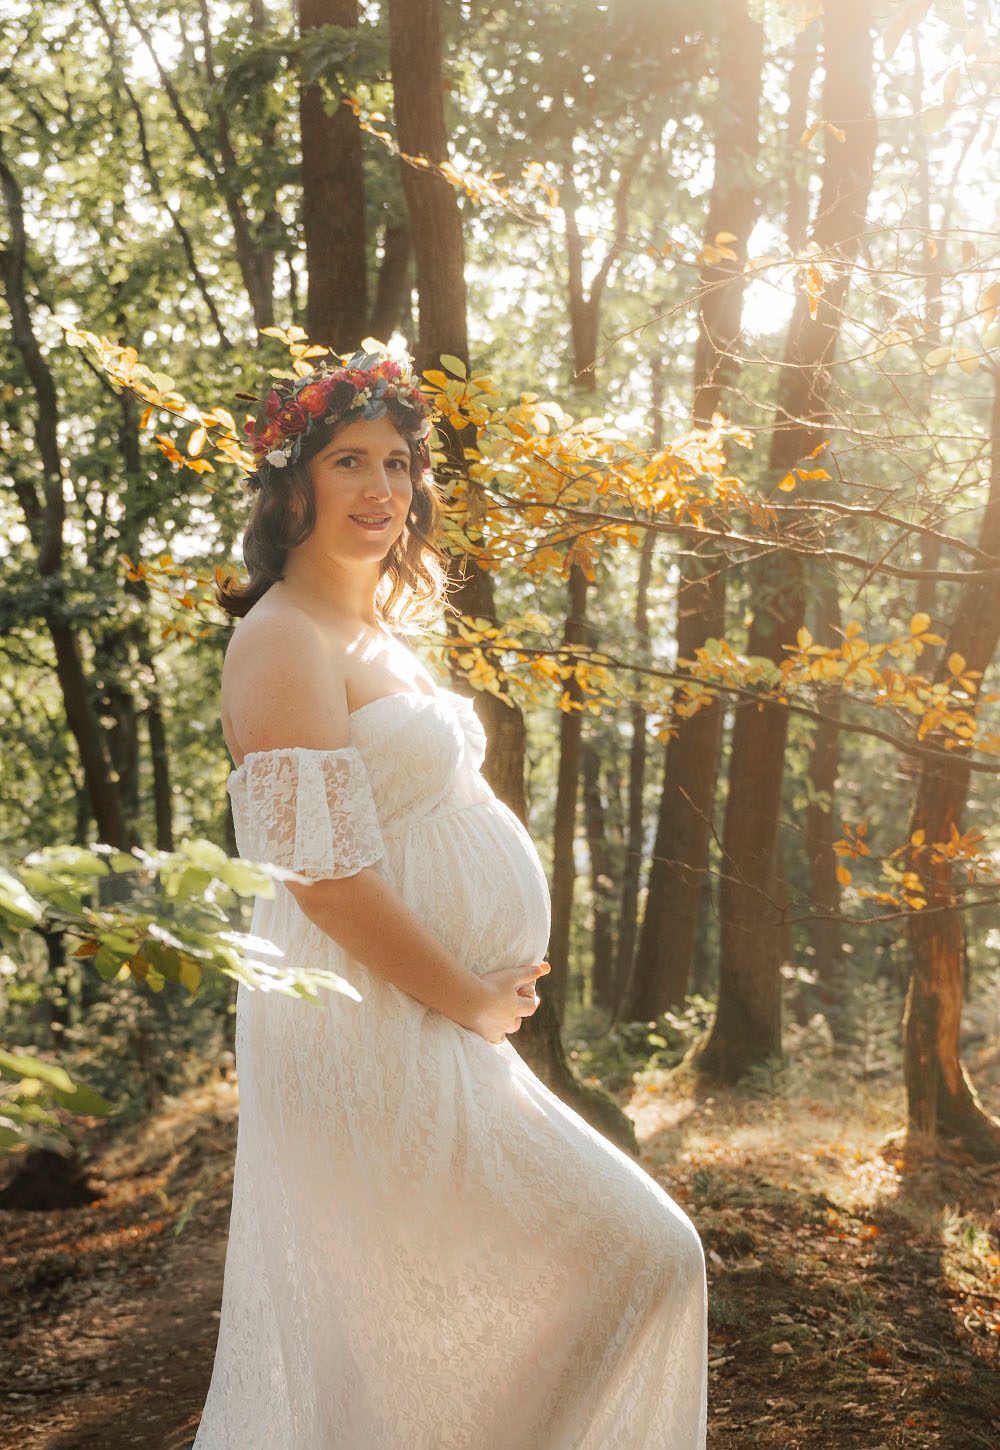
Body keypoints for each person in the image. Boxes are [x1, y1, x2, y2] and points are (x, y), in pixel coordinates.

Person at [193, 350, 707, 1450]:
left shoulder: (377, 633)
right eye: (349, 461)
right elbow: (320, 878)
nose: (383, 487)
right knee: (639, 1252)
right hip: (359, 1012)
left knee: (420, 1329)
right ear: (292, 484)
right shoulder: (280, 637)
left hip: (421, 1013)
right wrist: (471, 1000)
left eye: (398, 462)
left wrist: (472, 994)